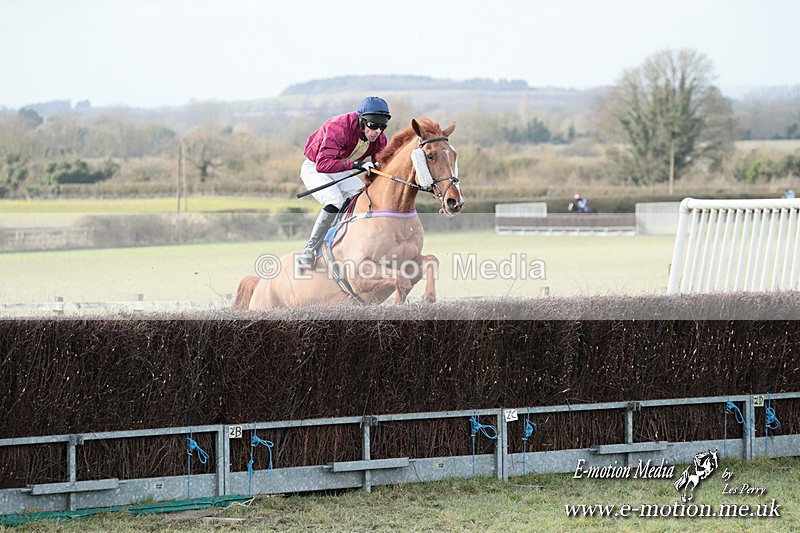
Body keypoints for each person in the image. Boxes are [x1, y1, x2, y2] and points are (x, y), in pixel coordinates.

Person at [295, 96, 391, 270]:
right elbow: (323, 164)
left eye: (382, 126)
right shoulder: (339, 127)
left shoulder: (379, 138)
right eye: (373, 125)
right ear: (362, 121)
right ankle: (309, 250)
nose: (377, 131)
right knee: (335, 201)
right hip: (315, 168)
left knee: (363, 197)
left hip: (341, 169)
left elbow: (381, 166)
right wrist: (356, 165)